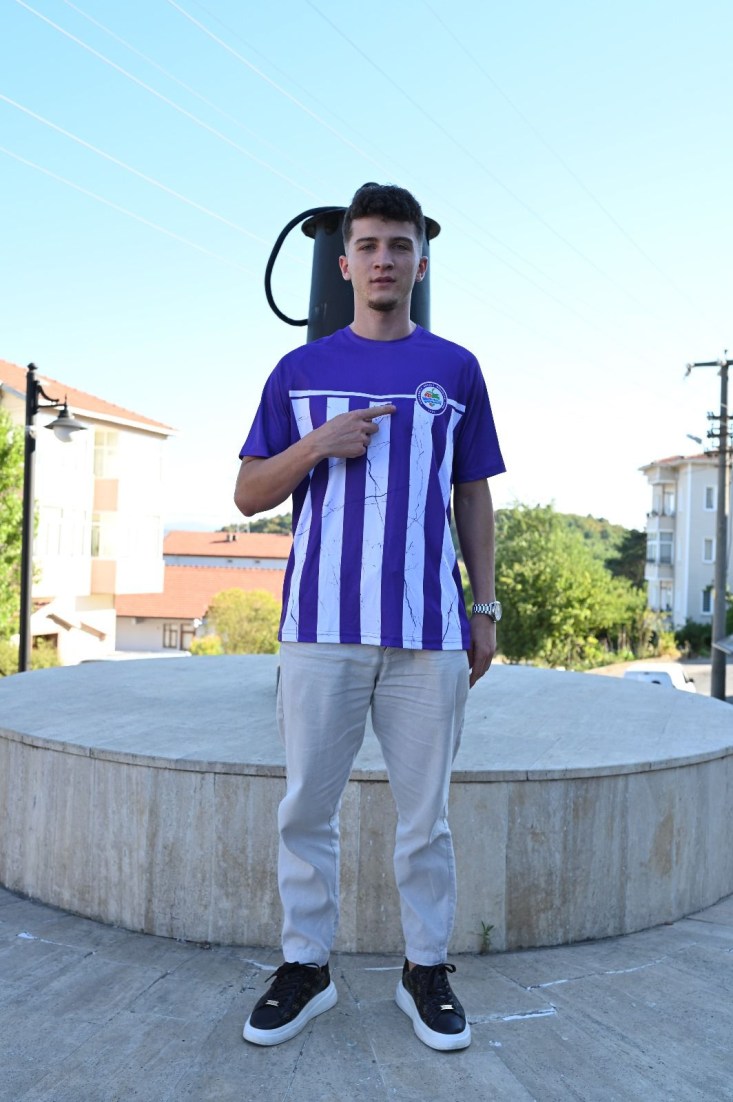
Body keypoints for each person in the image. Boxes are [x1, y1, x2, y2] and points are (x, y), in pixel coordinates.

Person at [234, 182, 505, 1052]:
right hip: (319, 629)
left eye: (399, 245)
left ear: (419, 264)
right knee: (306, 811)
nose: (383, 259)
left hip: (429, 634)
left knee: (425, 819)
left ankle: (424, 970)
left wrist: (484, 607)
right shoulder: (297, 372)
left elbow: (472, 493)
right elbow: (247, 493)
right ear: (345, 264)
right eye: (368, 245)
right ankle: (304, 967)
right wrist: (319, 443)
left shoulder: (455, 369)